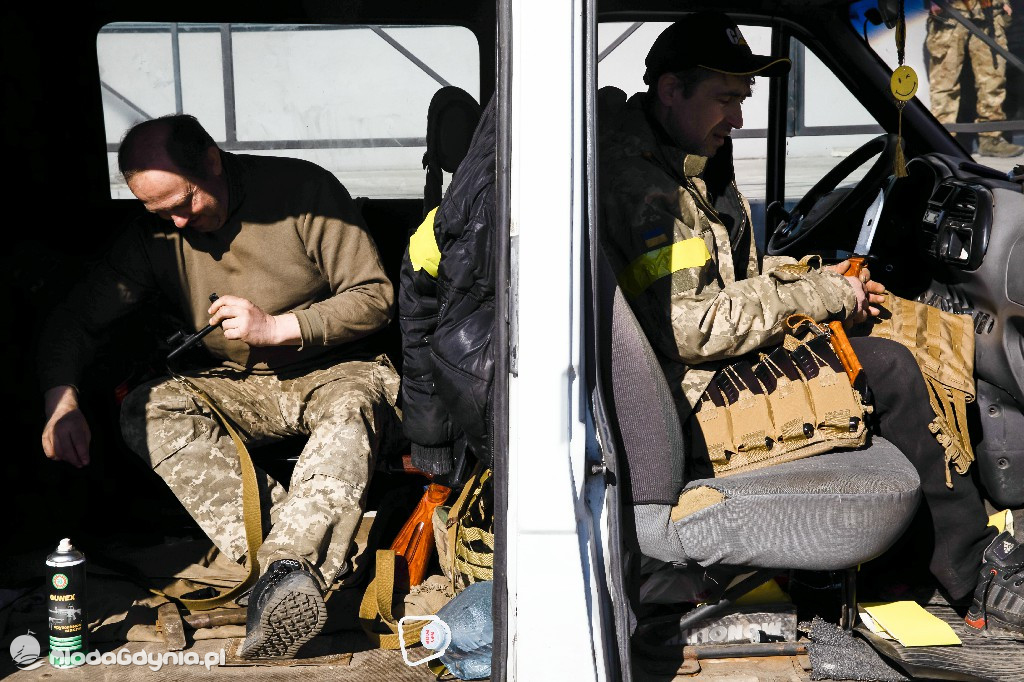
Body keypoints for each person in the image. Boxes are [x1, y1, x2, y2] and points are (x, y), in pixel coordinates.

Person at [599, 12, 1023, 636]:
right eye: (724, 100)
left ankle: (904, 565)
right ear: (670, 90)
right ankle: (973, 576)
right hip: (682, 398)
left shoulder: (679, 158)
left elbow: (727, 278)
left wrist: (818, 280)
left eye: (741, 101)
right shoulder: (646, 189)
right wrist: (818, 295)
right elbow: (694, 326)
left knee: (882, 336)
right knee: (893, 368)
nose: (738, 120)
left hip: (690, 372)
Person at [38, 114, 404, 658]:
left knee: (350, 408)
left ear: (212, 160)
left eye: (185, 204)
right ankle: (287, 573)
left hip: (336, 372)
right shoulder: (156, 232)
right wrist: (59, 400)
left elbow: (375, 296)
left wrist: (281, 328)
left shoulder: (304, 191)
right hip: (236, 384)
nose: (179, 224)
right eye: (159, 213)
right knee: (150, 405)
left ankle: (290, 570)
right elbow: (76, 321)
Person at [926, 0, 1023, 158]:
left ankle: (991, 138)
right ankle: (941, 141)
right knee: (945, 81)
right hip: (950, 10)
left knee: (993, 79)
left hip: (990, 12)